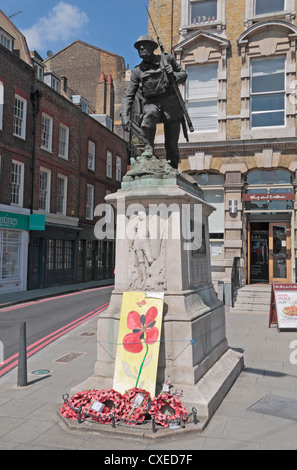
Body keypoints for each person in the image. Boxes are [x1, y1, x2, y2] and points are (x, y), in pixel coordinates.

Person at [121, 35, 187, 169]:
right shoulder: (137, 71)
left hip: (171, 104)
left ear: (153, 47)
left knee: (171, 146)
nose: (141, 48)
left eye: (144, 45)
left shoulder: (167, 59)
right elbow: (128, 95)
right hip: (152, 102)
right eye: (139, 47)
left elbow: (184, 75)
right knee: (148, 115)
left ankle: (173, 169)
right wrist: (125, 114)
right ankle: (148, 150)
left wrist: (173, 75)